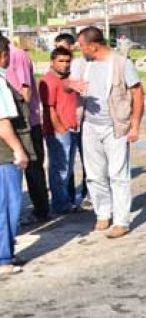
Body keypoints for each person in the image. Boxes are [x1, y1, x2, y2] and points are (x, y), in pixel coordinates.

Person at [69, 26, 145, 239]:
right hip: (89, 126)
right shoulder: (81, 64)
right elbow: (67, 85)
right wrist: (71, 85)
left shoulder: (121, 63)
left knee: (118, 175)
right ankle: (103, 213)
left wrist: (135, 125)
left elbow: (138, 93)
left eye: (82, 45)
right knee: (93, 174)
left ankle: (121, 221)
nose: (79, 49)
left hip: (116, 127)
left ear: (93, 46)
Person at [0, 35, 34, 275]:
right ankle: (3, 258)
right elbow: (2, 123)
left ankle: (6, 253)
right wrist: (19, 150)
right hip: (3, 157)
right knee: (7, 207)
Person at [7, 40, 48, 222]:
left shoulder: (16, 55)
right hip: (8, 123)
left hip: (26, 123)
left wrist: (21, 119)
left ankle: (41, 211)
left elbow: (25, 89)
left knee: (33, 168)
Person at [40, 48, 79, 214]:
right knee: (59, 169)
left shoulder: (68, 79)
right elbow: (49, 109)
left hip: (71, 128)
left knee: (68, 169)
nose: (65, 64)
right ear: (52, 61)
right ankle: (60, 205)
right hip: (58, 132)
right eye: (61, 61)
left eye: (67, 61)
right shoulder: (48, 80)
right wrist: (60, 129)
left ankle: (64, 202)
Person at [56, 32, 89, 207]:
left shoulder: (81, 65)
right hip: (65, 124)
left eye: (63, 47)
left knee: (88, 161)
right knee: (65, 164)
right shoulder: (53, 74)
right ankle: (68, 198)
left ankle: (87, 193)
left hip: (83, 120)